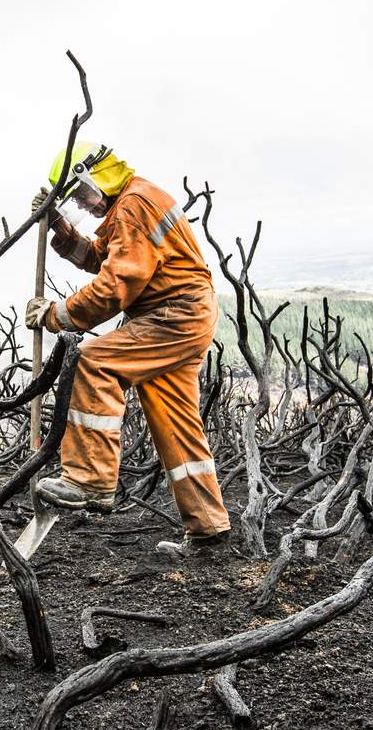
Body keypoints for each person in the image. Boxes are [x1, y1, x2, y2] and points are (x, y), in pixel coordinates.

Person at [24, 142, 231, 557]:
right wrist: (60, 230)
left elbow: (116, 286)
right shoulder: (130, 203)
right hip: (185, 315)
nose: (82, 203)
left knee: (94, 363)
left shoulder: (135, 204)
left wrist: (54, 314)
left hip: (174, 315)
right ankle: (208, 528)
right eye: (74, 202)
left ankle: (90, 481)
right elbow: (101, 259)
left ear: (97, 174)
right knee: (174, 420)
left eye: (80, 193)